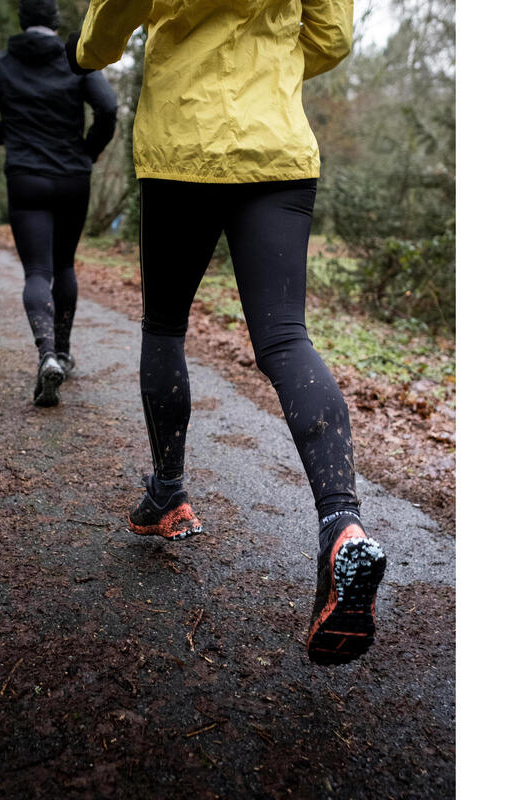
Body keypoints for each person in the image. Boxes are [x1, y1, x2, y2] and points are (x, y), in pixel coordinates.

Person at [67, 0, 386, 666]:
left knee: (164, 326)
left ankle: (168, 493)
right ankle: (341, 522)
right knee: (284, 339)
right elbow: (331, 36)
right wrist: (267, 63)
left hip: (183, 146)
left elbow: (98, 43)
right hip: (276, 145)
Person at [0, 0, 117, 407]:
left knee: (37, 270)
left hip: (26, 179)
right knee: (64, 265)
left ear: (22, 21)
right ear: (54, 21)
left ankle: (46, 353)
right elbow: (108, 108)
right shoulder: (77, 60)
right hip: (72, 176)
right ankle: (63, 354)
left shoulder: (0, 65)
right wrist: (88, 150)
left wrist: (16, 136)